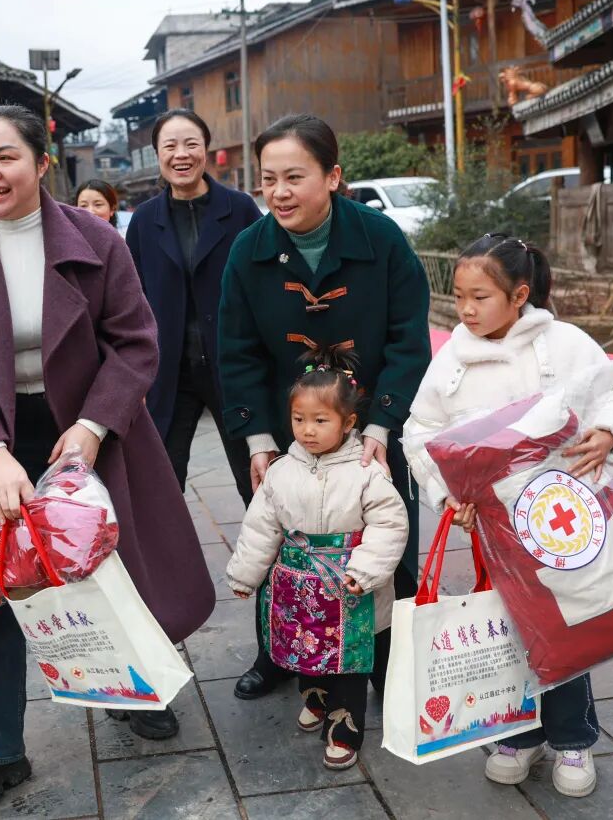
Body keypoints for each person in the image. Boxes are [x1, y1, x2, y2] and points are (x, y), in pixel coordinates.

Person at [0, 105, 214, 811]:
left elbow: (135, 342)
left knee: (112, 565)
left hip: (86, 424)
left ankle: (131, 691)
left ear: (42, 163)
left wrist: (91, 428)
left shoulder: (95, 239)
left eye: (6, 157)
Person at [404, 233, 613, 798]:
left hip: (562, 517)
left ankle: (573, 738)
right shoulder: (452, 359)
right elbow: (421, 432)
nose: (466, 310)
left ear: (519, 295)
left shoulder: (564, 343)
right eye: (459, 296)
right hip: (493, 526)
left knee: (565, 626)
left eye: (480, 297)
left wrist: (609, 432)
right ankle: (519, 731)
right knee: (510, 625)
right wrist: (448, 493)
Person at [218, 113, 430, 702]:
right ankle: (279, 653)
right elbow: (235, 351)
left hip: (372, 421)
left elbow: (409, 339)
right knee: (280, 537)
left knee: (386, 536)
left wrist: (382, 425)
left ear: (333, 177)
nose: (279, 192)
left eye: (295, 177)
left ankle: (387, 661)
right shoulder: (249, 251)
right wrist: (258, 439)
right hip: (290, 429)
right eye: (268, 179)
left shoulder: (380, 239)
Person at [226, 347, 408, 770]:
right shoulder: (281, 471)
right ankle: (315, 698)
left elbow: (390, 525)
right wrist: (245, 574)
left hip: (350, 590)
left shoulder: (367, 473)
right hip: (298, 590)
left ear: (348, 422)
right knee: (304, 648)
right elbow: (261, 527)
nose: (308, 430)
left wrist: (365, 570)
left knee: (347, 661)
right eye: (299, 419)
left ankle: (345, 727)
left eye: (321, 421)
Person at [126, 109, 261, 509]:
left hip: (234, 367)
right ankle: (168, 553)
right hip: (169, 372)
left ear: (206, 149)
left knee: (255, 475)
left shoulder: (240, 209)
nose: (181, 154)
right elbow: (131, 301)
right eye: (170, 146)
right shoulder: (144, 221)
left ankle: (274, 550)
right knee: (162, 483)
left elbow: (263, 283)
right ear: (157, 154)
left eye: (191, 144)